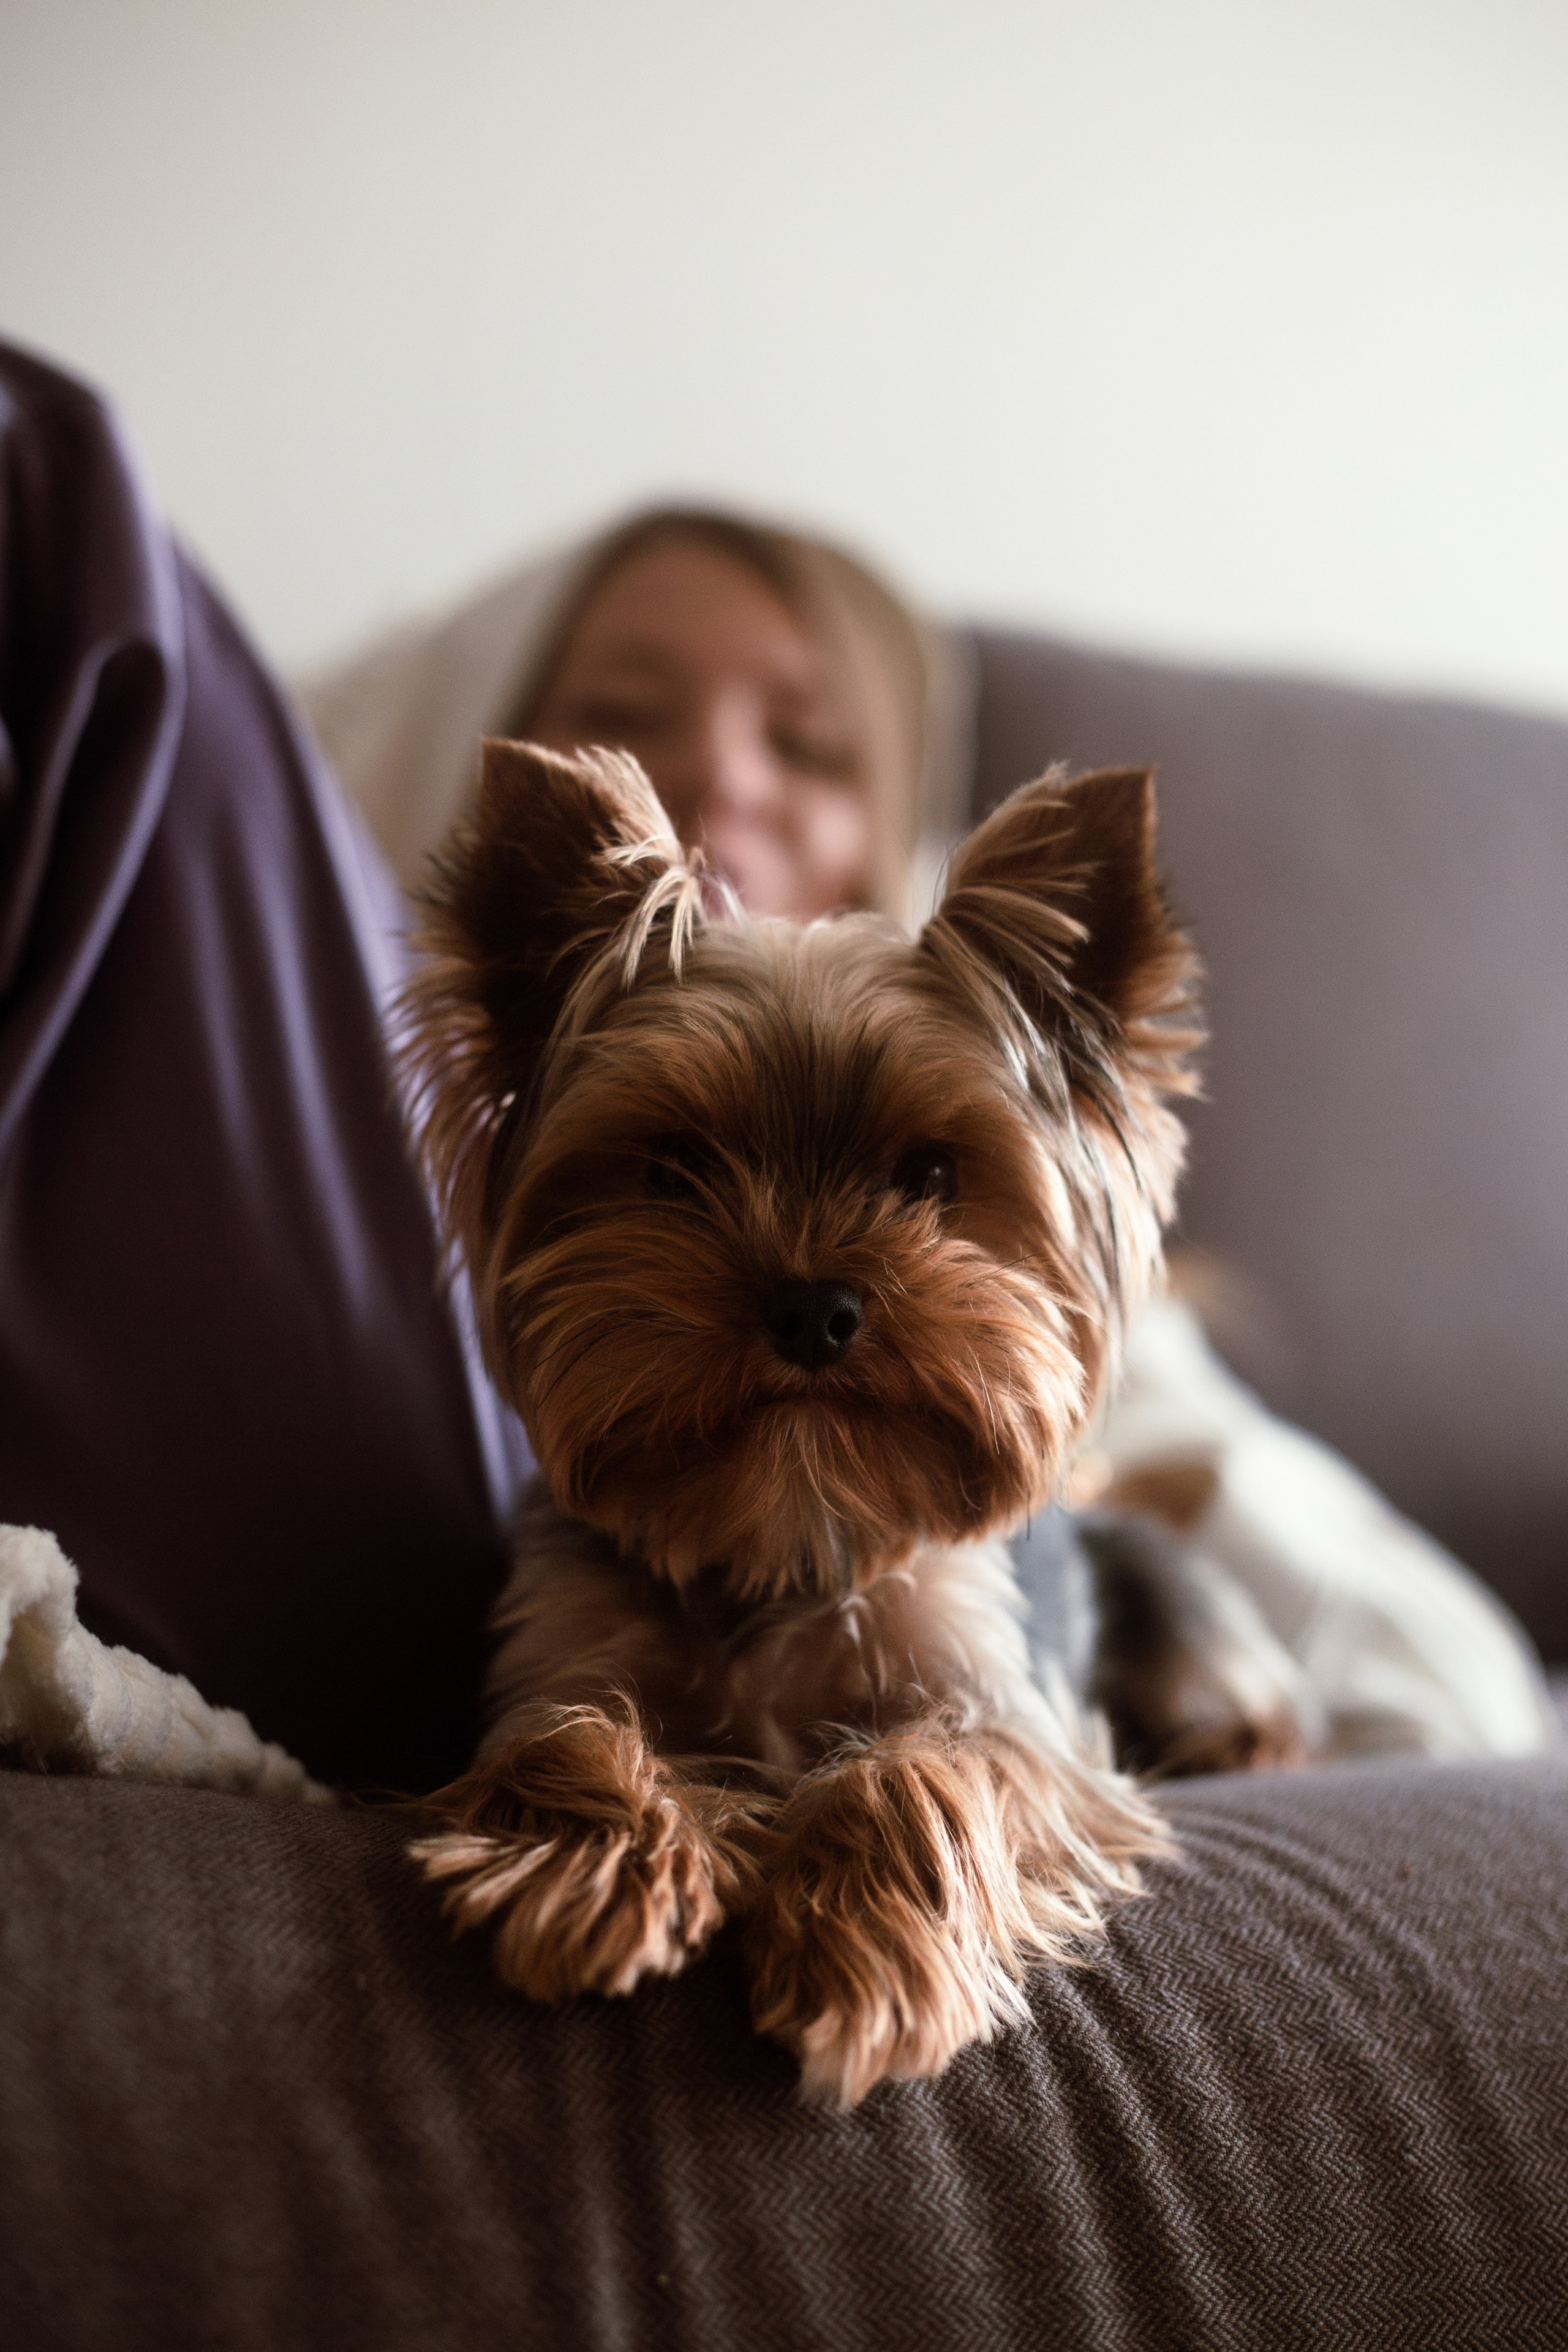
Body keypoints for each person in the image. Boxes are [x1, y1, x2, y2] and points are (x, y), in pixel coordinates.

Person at [0, 339, 1551, 1796]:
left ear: (897, 837)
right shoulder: (331, 1011)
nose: (719, 776)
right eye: (619, 713)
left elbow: (1441, 1698)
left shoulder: (1083, 1290)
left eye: (805, 745)